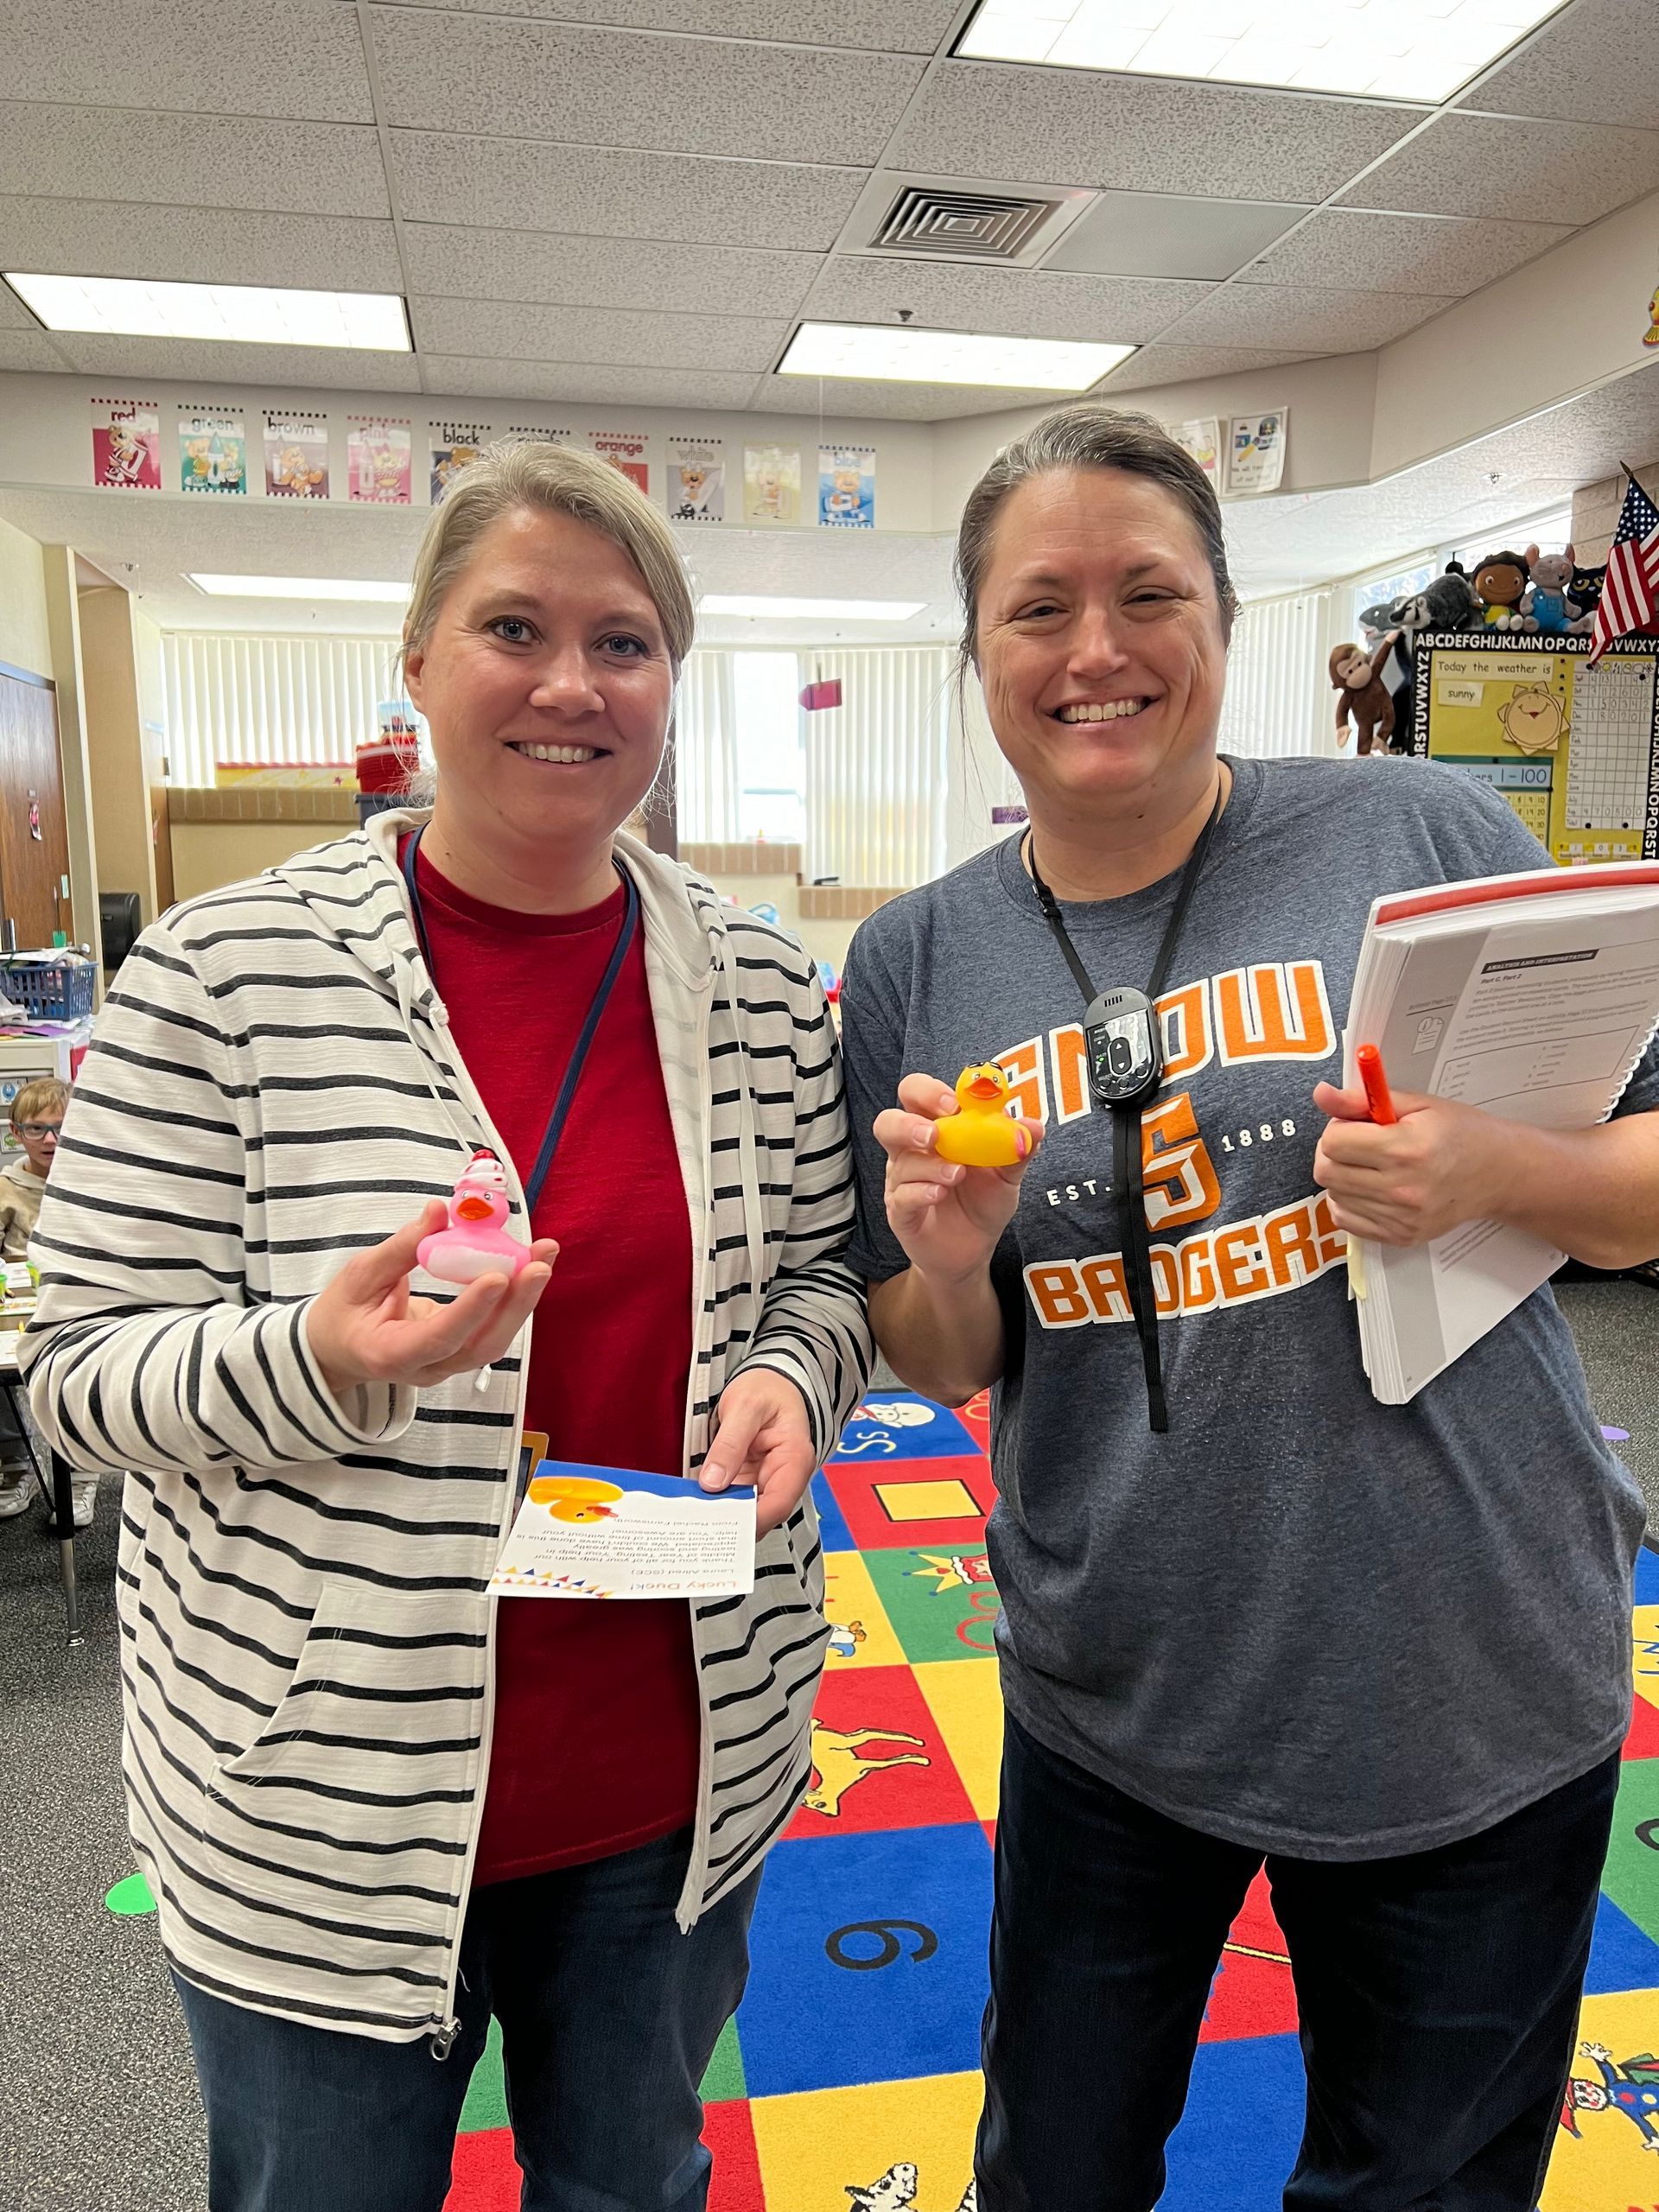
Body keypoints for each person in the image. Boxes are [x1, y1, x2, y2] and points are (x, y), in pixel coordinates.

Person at [23, 440, 870, 2212]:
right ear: (416, 659)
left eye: (624, 642)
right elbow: (77, 1377)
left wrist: (797, 1369)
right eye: (514, 627)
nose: (571, 682)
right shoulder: (223, 972)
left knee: (633, 2179)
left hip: (674, 1773)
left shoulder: (759, 979)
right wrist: (319, 1361)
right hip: (319, 1791)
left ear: (668, 687)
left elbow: (819, 1279)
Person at [837, 403, 1659, 2212]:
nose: (1098, 650)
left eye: (1149, 593)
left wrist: (1496, 1172)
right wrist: (957, 1253)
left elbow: (1640, 1171)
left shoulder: (1417, 821)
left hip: (1471, 1672)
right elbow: (938, 1352)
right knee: (1053, 2170)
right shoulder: (914, 960)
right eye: (1038, 608)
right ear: (977, 649)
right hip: (1118, 1685)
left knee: (1419, 2188)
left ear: (1224, 612)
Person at [0, 1077, 94, 1524]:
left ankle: (79, 1477)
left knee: (79, 1373)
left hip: (79, 1305)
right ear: (16, 1133)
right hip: (19, 1308)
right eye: (36, 1129)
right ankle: (15, 1467)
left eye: (61, 1127)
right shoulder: (6, 1188)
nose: (51, 1140)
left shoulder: (92, 1182)